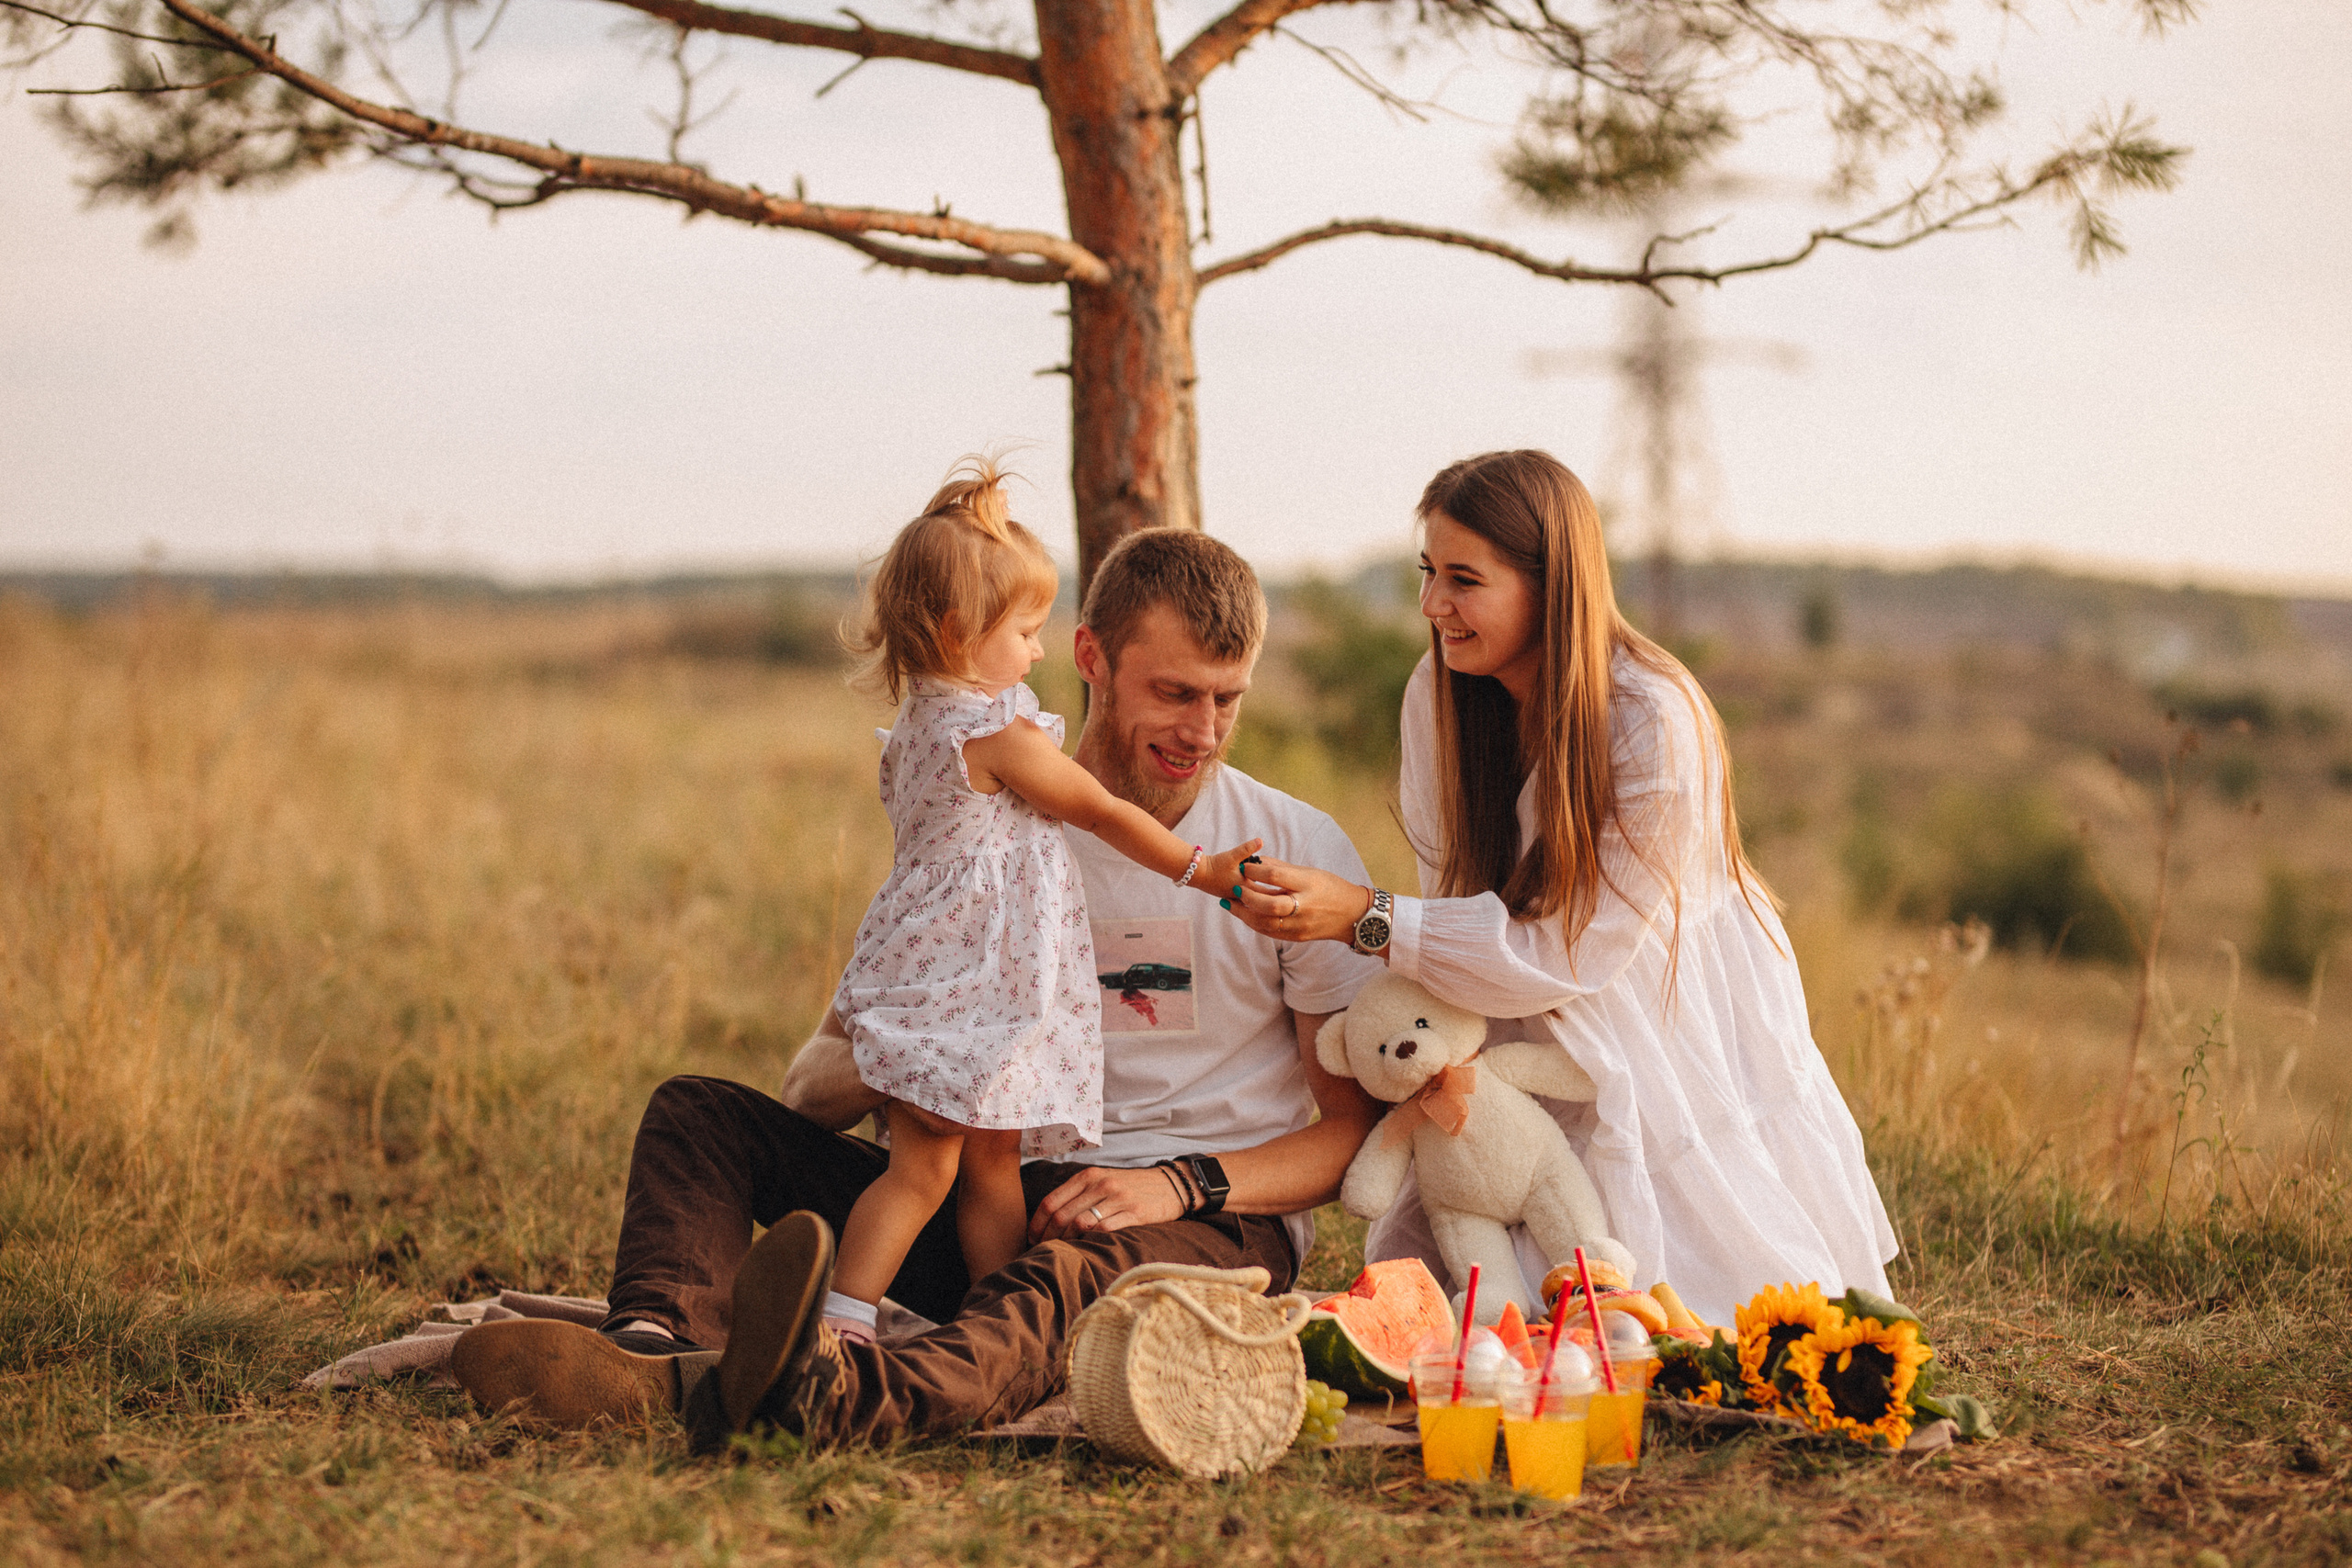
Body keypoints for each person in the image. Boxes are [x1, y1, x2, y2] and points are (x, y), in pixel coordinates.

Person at [448, 526, 1384, 1447]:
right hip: (985, 1191)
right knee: (699, 1115)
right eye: (1176, 693)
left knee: (1056, 1277)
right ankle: (653, 1351)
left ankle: (824, 1400)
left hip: (1193, 1219)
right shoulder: (981, 823)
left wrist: (1176, 1185)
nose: (1204, 731)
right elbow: (811, 1086)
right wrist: (941, 1066)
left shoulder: (1291, 847)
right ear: (1088, 656)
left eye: (1230, 699)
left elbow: (1344, 1136)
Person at [1225, 449, 1896, 1326]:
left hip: (1644, 989)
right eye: (1429, 572)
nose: (1433, 606)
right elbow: (1464, 900)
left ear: (1554, 587)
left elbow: (1570, 955)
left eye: (1465, 580)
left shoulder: (1654, 719)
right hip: (1514, 980)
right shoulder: (1440, 690)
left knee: (1680, 1302)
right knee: (1486, 1291)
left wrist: (1365, 918)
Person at [816, 460, 1259, 1345]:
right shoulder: (992, 732)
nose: (1040, 649)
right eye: (1024, 629)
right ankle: (843, 1319)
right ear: (956, 632)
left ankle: (997, 1323)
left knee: (992, 1164)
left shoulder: (919, 726)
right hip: (971, 983)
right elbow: (1098, 806)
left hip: (956, 971)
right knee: (926, 1168)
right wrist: (1202, 870)